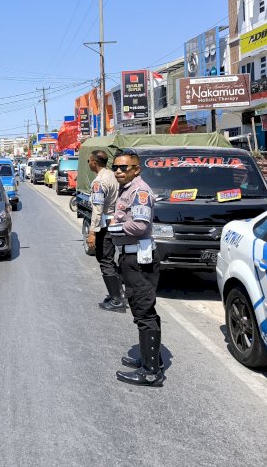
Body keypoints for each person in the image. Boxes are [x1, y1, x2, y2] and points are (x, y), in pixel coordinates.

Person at [108, 149, 164, 387]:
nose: (119, 171)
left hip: (139, 259)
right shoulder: (127, 190)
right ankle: (152, 359)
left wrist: (114, 228)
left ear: (136, 169)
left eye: (124, 168)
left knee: (144, 311)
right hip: (131, 257)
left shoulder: (139, 192)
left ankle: (151, 372)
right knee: (143, 308)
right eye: (116, 168)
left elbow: (140, 225)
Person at [86, 150, 122, 312]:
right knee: (106, 258)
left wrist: (92, 232)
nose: (88, 163)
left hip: (104, 225)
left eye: (89, 161)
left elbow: (98, 208)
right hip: (114, 222)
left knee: (105, 260)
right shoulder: (112, 175)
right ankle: (117, 292)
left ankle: (116, 300)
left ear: (94, 162)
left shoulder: (99, 182)